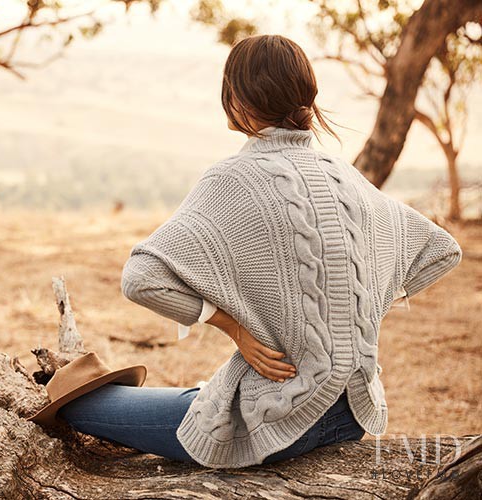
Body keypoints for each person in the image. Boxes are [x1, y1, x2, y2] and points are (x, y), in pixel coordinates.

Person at [56, 34, 463, 467]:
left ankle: (76, 383)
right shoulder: (344, 176)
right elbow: (439, 249)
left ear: (237, 97)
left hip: (277, 422)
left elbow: (140, 278)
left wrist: (235, 329)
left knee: (75, 405)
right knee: (203, 393)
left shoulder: (232, 179)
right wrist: (354, 315)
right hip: (352, 414)